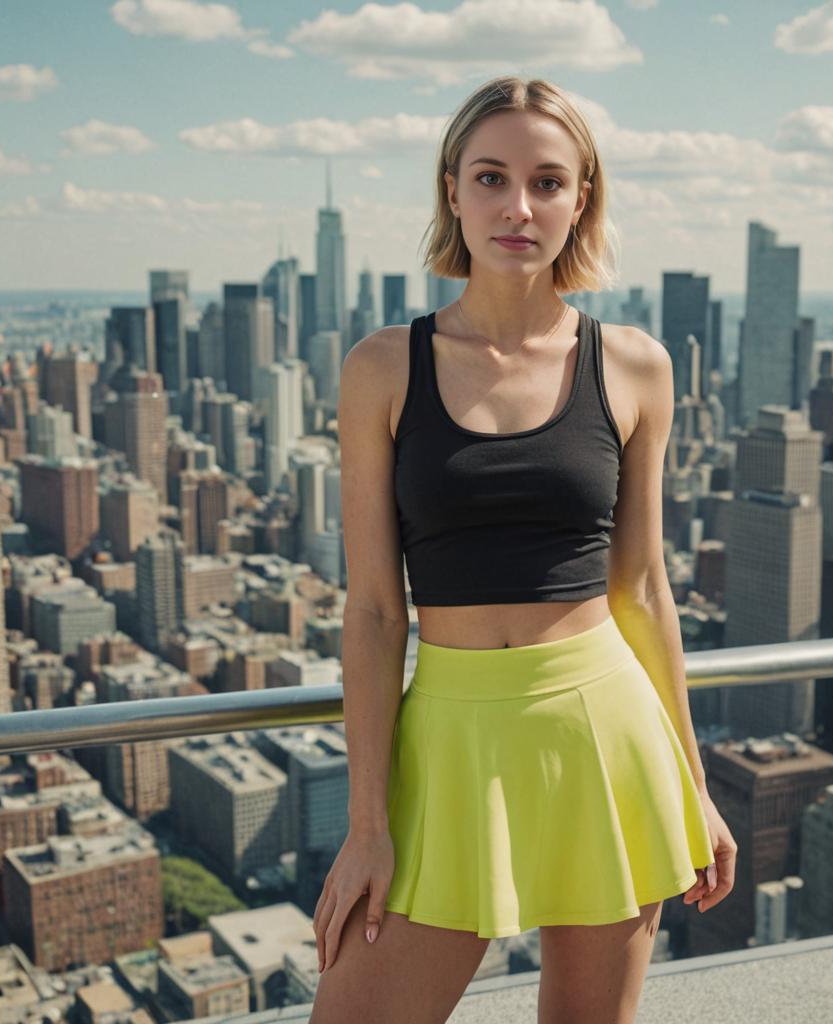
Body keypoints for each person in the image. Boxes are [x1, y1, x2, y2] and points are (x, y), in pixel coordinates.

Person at [310, 74, 737, 1024]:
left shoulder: (633, 364)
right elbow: (377, 610)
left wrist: (693, 787)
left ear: (582, 198)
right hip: (450, 740)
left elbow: (643, 591)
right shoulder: (383, 365)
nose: (518, 206)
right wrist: (367, 825)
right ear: (452, 191)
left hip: (605, 734)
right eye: (492, 177)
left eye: (548, 181)